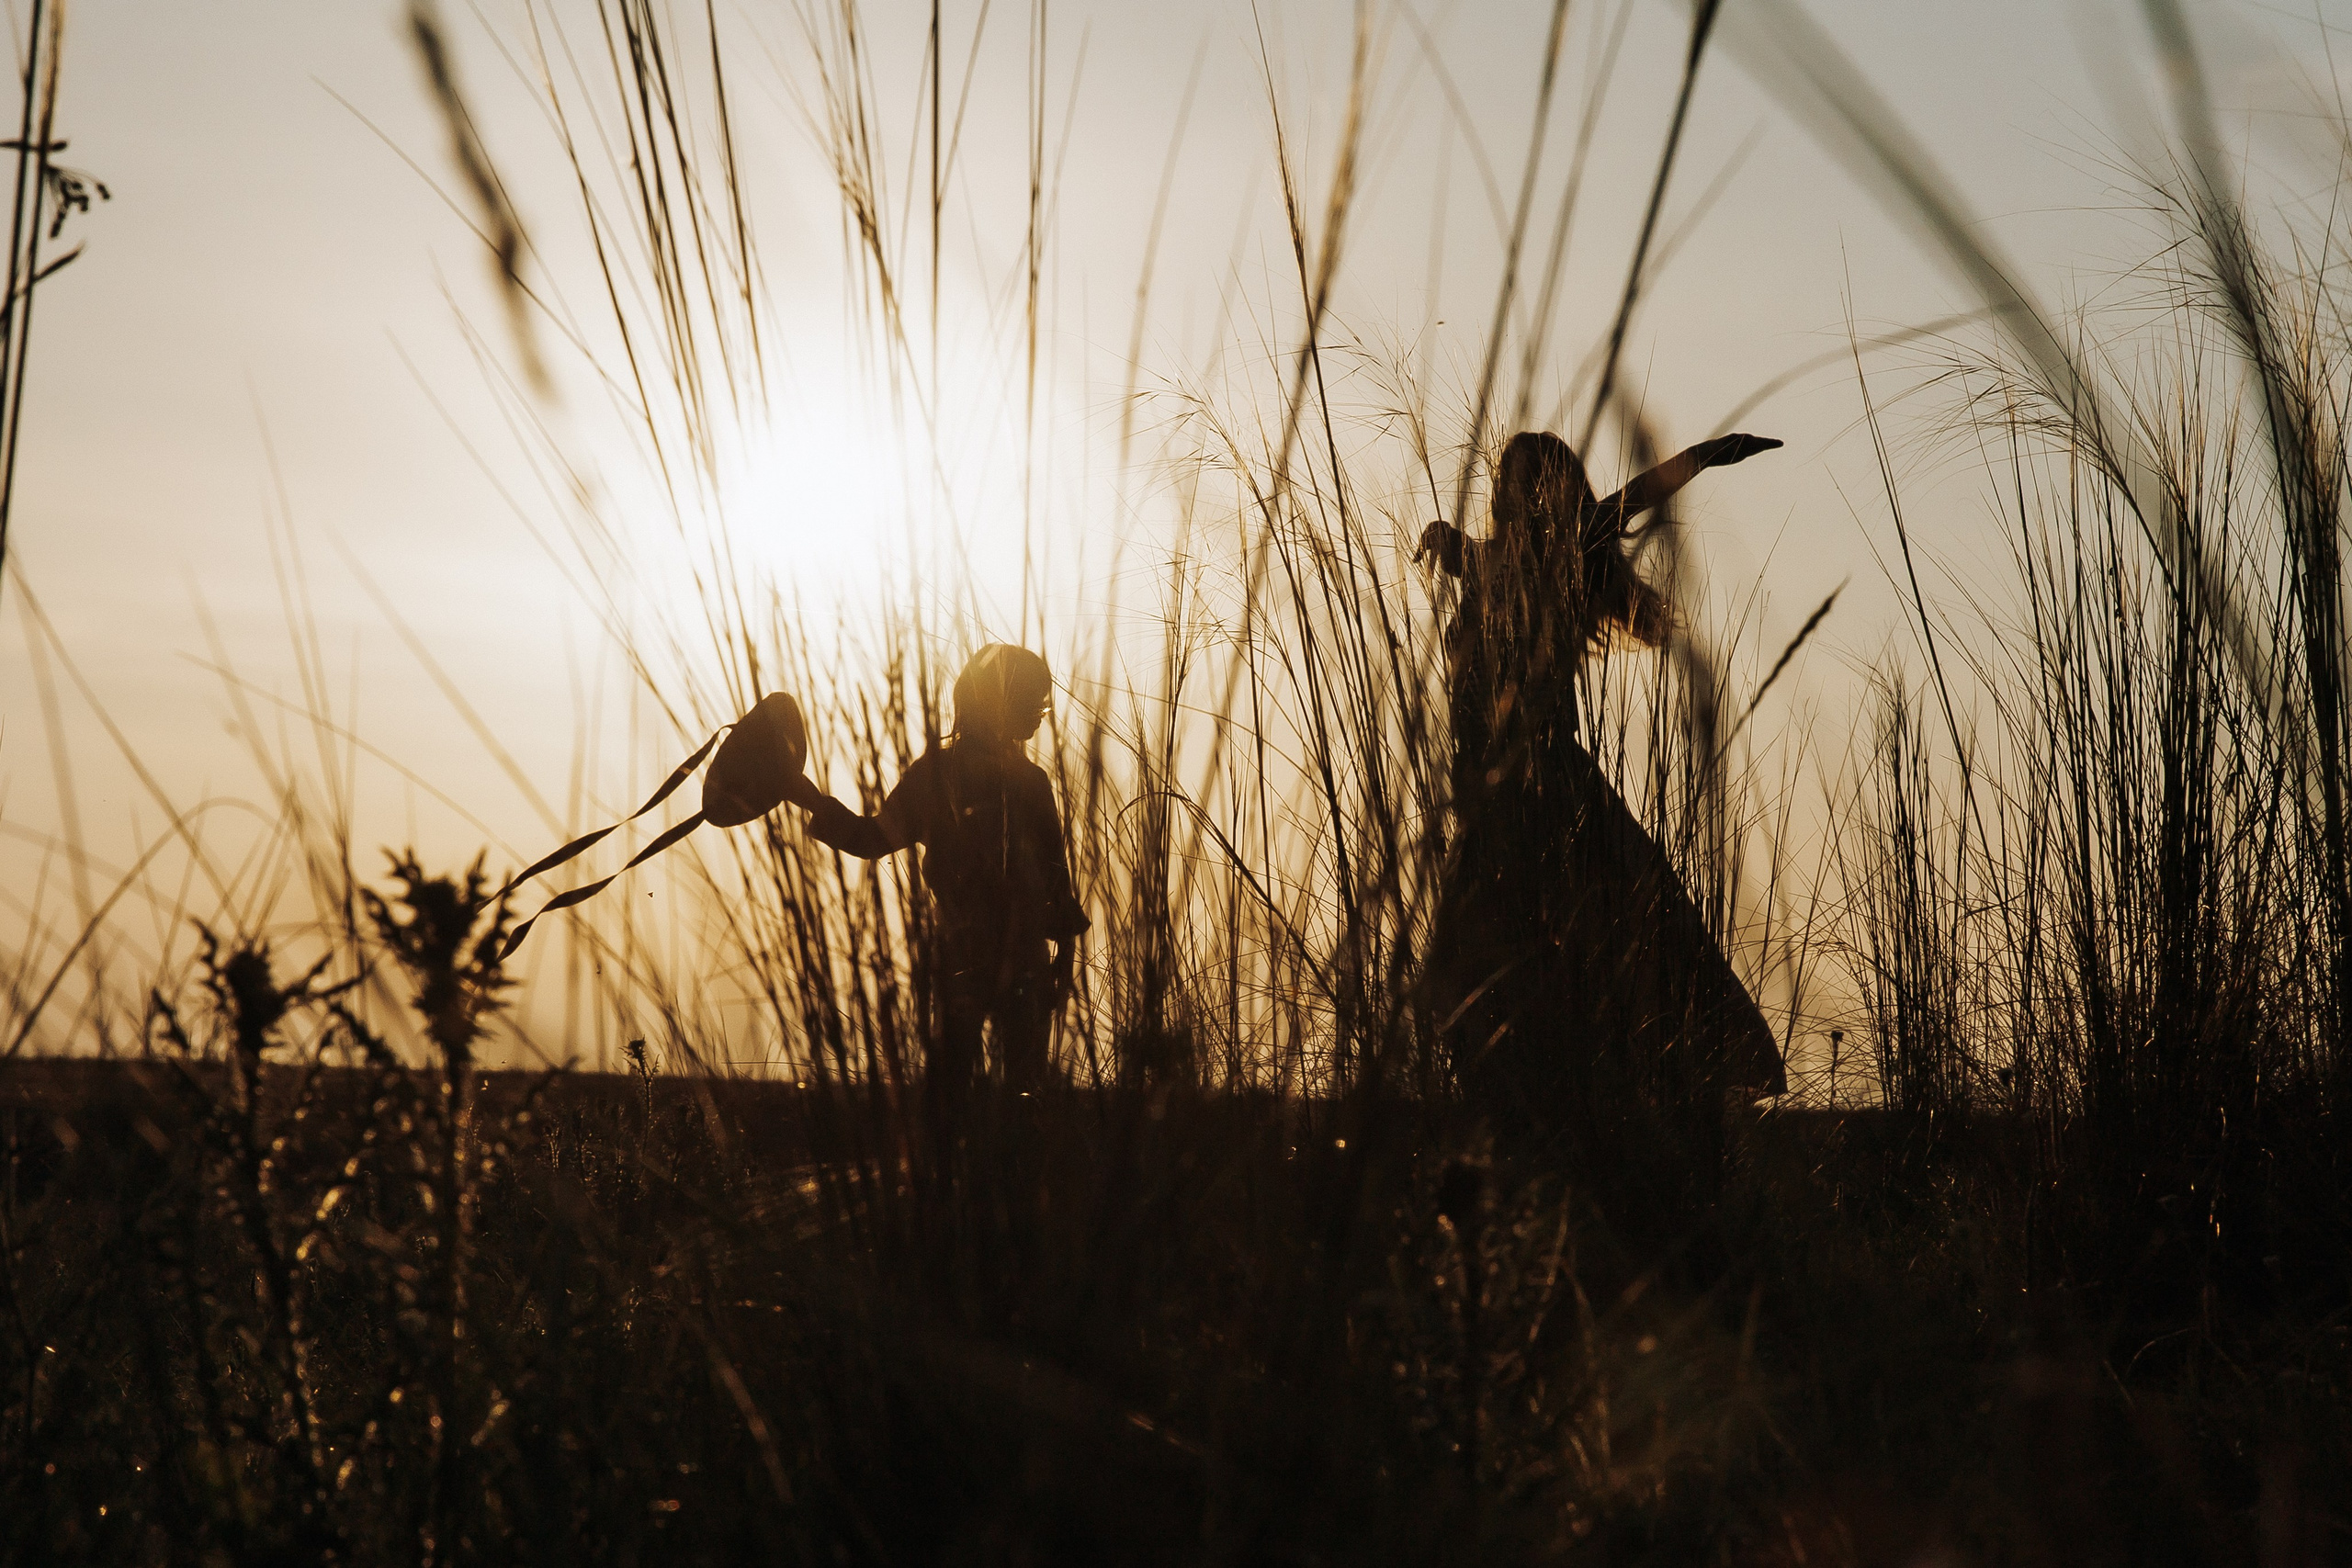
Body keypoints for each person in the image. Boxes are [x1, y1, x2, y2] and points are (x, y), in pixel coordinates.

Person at [1416, 429, 1787, 1137]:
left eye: (1527, 478)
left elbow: (1633, 498)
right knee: (1462, 967)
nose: (1510, 490)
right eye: (1507, 477)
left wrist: (1710, 453)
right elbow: (1472, 557)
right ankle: (1512, 1110)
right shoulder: (1492, 561)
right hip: (1490, 797)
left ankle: (1598, 1109)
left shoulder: (1567, 553)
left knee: (1614, 937)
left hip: (1550, 788)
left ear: (1552, 489)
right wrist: (1443, 537)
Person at [782, 645, 1088, 1103]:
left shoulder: (944, 776)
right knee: (1018, 1100)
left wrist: (807, 798)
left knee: (956, 1100)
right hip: (1008, 961)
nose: (1041, 713)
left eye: (1042, 702)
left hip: (968, 957)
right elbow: (1057, 890)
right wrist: (1060, 964)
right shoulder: (1025, 784)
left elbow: (870, 840)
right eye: (1032, 699)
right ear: (999, 700)